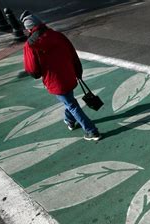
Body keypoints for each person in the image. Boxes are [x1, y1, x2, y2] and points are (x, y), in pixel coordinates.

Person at [20, 11, 101, 141]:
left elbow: (33, 70)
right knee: (69, 100)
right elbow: (72, 53)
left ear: (29, 28)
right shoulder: (57, 35)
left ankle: (91, 131)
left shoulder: (30, 45)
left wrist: (38, 72)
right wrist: (78, 71)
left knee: (71, 104)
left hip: (54, 80)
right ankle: (69, 120)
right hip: (69, 74)